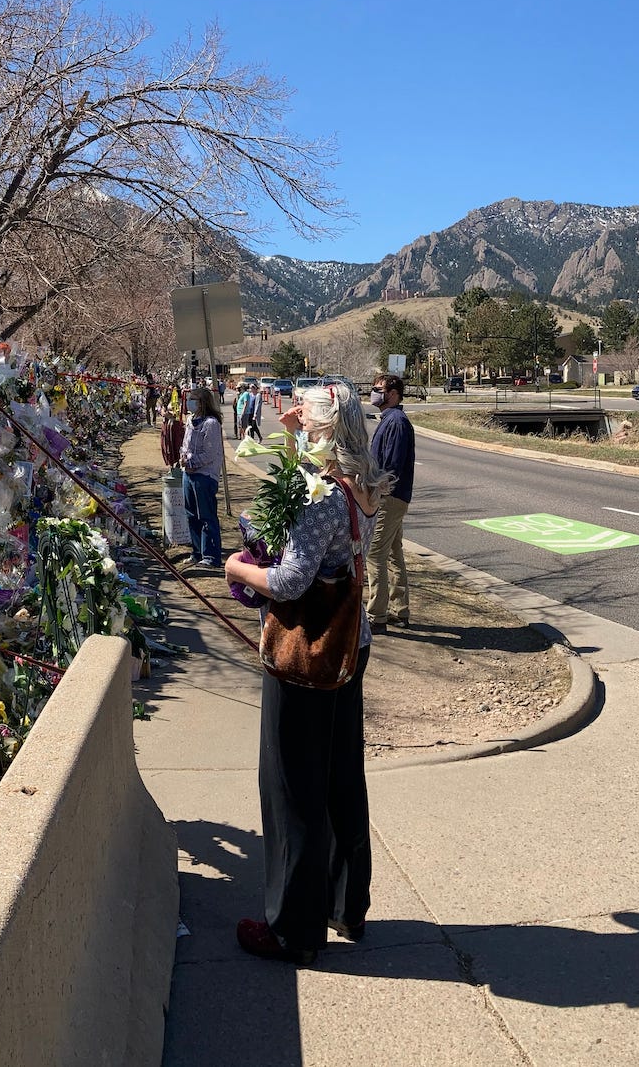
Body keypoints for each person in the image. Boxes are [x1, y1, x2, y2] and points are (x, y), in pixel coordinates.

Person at [223, 394, 386, 961]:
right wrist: (293, 437)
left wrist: (239, 568)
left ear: (323, 428)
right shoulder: (359, 487)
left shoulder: (319, 501)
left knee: (291, 786)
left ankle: (292, 928)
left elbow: (291, 582)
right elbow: (313, 489)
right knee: (342, 778)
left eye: (304, 417)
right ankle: (346, 904)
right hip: (348, 647)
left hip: (305, 655)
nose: (295, 421)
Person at [367, 373, 416, 627]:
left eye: (379, 389)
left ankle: (377, 615)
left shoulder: (396, 421)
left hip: (390, 498)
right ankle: (401, 610)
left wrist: (379, 490)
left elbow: (392, 466)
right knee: (394, 553)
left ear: (393, 394)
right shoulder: (388, 419)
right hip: (391, 496)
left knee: (374, 553)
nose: (374, 392)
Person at [178, 388, 227, 568]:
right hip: (188, 475)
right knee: (191, 515)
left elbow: (210, 453)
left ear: (202, 402)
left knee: (206, 516)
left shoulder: (211, 424)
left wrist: (192, 462)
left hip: (204, 475)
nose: (190, 403)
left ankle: (211, 556)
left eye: (194, 400)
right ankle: (197, 552)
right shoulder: (190, 421)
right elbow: (184, 445)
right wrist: (183, 458)